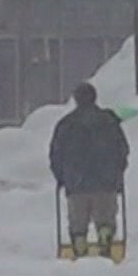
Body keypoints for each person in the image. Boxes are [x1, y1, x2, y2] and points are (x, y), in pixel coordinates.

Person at [49, 82, 129, 255]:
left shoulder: (66, 124)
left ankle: (79, 243)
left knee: (78, 221)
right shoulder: (109, 121)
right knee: (105, 217)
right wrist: (118, 173)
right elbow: (122, 150)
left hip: (76, 182)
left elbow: (56, 154)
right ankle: (105, 236)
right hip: (106, 181)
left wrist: (61, 177)